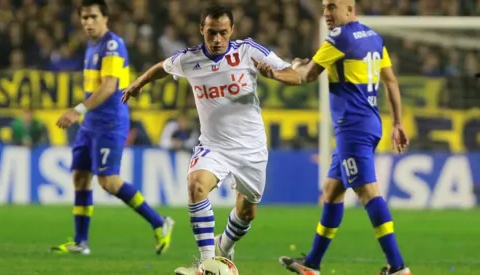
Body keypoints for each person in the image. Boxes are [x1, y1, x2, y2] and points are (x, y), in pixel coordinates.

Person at [122, 5, 301, 275]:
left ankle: (223, 248)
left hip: (251, 148)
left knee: (247, 212)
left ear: (232, 31)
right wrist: (139, 82)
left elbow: (295, 75)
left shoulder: (247, 51)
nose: (217, 39)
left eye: (222, 33)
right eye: (211, 33)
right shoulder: (189, 59)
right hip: (213, 145)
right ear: (201, 31)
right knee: (196, 185)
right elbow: (162, 67)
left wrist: (274, 74)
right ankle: (207, 264)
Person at [278, 1, 411, 275]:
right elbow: (391, 81)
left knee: (367, 192)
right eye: (325, 7)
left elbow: (307, 76)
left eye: (333, 7)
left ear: (350, 10)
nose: (326, 13)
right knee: (332, 190)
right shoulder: (373, 37)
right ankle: (312, 264)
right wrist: (397, 122)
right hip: (369, 123)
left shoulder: (339, 37)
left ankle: (398, 267)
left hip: (352, 127)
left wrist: (294, 65)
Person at [51, 0, 174, 256]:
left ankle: (160, 222)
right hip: (92, 123)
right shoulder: (92, 45)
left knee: (108, 181)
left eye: (93, 17)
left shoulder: (111, 45)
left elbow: (109, 87)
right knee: (81, 176)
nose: (88, 22)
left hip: (109, 122)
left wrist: (77, 110)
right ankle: (81, 242)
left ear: (105, 18)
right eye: (84, 18)